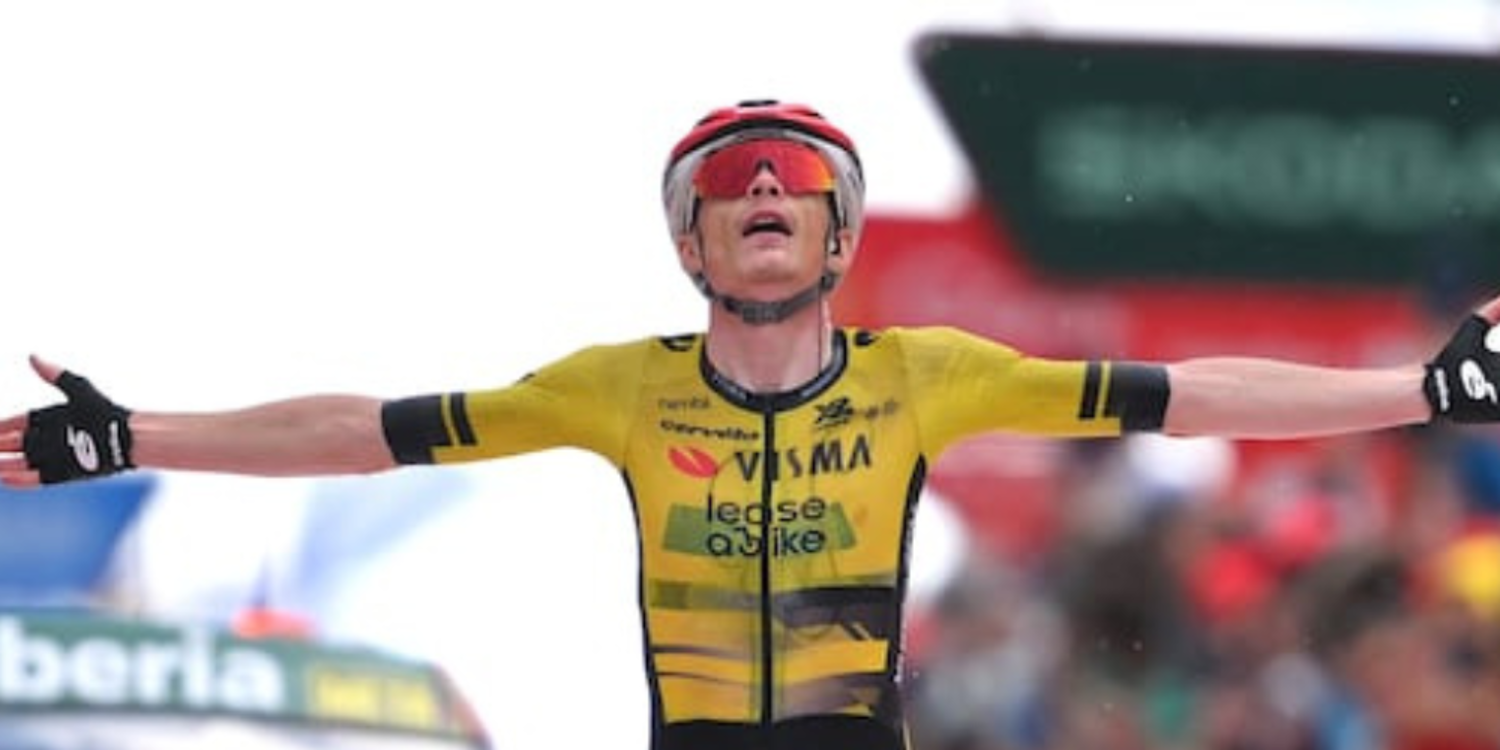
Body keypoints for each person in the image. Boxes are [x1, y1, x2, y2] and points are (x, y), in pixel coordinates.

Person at [1, 99, 1499, 750]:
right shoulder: (617, 386)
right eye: (730, 182)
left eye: (796, 175)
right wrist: (138, 434)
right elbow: (361, 432)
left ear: (840, 232)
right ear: (691, 242)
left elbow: (1191, 394)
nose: (765, 188)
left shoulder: (927, 373)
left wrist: (1416, 393)